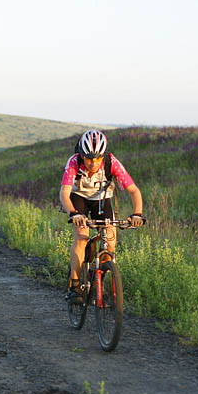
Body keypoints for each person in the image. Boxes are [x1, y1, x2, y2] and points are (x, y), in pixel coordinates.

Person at [59, 129, 144, 301]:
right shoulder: (74, 162)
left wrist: (137, 214)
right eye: (89, 158)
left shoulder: (111, 162)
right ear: (82, 155)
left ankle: (98, 277)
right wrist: (73, 213)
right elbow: (64, 193)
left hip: (102, 199)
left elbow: (134, 190)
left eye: (98, 158)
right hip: (78, 198)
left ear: (103, 156)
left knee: (110, 242)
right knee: (81, 236)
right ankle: (75, 285)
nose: (93, 163)